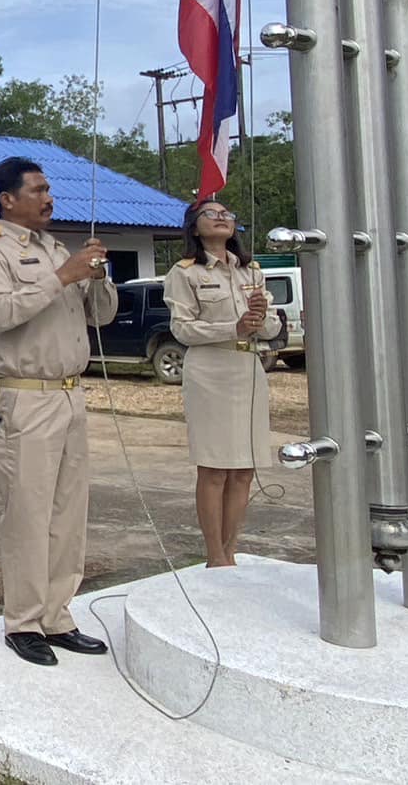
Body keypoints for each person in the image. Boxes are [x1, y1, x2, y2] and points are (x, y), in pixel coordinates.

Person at [0, 156, 117, 667]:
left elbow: (100, 316)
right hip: (25, 397)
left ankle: (58, 615)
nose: (50, 198)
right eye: (39, 189)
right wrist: (61, 276)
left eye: (50, 189)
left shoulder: (56, 248)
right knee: (28, 514)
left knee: (68, 511)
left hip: (71, 394)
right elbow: (1, 314)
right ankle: (24, 622)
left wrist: (94, 277)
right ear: (8, 199)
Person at [163, 200, 280, 568]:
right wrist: (234, 327)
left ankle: (231, 548)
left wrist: (261, 320)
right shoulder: (186, 273)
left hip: (247, 368)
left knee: (244, 467)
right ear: (195, 228)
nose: (222, 218)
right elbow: (182, 328)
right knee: (214, 467)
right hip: (210, 371)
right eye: (211, 215)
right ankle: (214, 553)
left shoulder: (251, 272)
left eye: (228, 214)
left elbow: (274, 327)